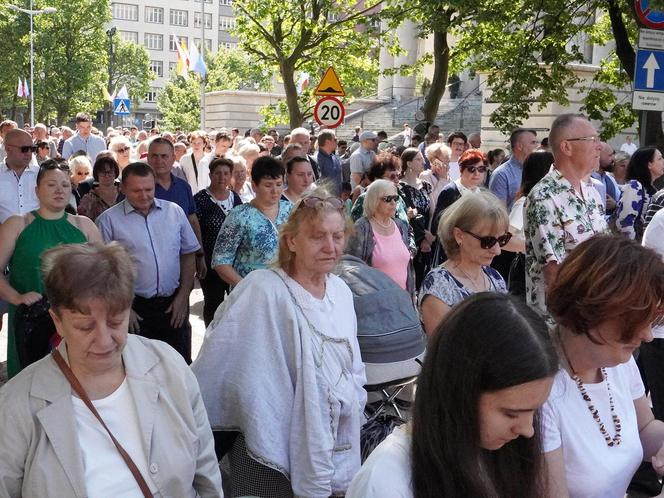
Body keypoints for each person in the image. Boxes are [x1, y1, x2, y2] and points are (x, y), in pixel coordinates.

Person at [0, 242, 223, 497]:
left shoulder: (168, 365)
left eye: (116, 321)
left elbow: (204, 466)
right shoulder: (18, 404)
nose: (105, 340)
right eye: (85, 327)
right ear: (58, 322)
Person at [193, 191, 366, 498]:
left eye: (338, 236)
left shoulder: (340, 291)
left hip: (334, 444)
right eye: (317, 237)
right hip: (269, 447)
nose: (330, 247)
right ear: (292, 242)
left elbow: (353, 368)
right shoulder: (263, 289)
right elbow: (221, 362)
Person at [346, 293, 558, 498]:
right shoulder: (386, 481)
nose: (528, 430)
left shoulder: (499, 454)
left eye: (535, 410)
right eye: (511, 414)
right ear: (459, 391)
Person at [543, 235, 664, 498]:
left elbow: (645, 428)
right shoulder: (541, 389)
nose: (648, 336)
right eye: (635, 322)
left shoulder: (615, 359)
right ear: (592, 310)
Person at [0, 158, 101, 378]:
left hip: (77, 319)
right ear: (37, 190)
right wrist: (17, 297)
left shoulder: (84, 225)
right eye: (51, 184)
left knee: (77, 382)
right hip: (31, 320)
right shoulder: (18, 224)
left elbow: (104, 274)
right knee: (31, 383)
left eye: (65, 185)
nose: (59, 190)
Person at [96, 162, 200, 363]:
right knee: (140, 370)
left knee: (178, 367)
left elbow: (188, 254)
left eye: (148, 189)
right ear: (123, 188)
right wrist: (124, 309)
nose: (144, 195)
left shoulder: (174, 212)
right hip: (135, 309)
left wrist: (183, 297)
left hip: (174, 305)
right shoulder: (107, 221)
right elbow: (103, 272)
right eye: (136, 190)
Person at [524, 114, 607, 321]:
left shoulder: (591, 192)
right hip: (563, 321)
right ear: (566, 147)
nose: (600, 146)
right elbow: (554, 272)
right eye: (592, 140)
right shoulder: (544, 197)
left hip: (595, 312)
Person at [419, 191, 510, 335]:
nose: (497, 250)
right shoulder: (439, 288)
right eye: (488, 241)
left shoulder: (494, 277)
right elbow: (444, 352)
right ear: (459, 235)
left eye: (502, 240)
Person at [212, 156, 292, 287]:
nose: (275, 191)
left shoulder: (291, 210)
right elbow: (220, 261)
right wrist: (247, 287)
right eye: (268, 185)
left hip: (286, 289)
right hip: (252, 292)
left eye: (279, 184)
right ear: (254, 185)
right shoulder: (240, 215)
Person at [194, 157, 242, 326]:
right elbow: (194, 231)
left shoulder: (235, 198)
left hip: (234, 263)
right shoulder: (200, 199)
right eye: (217, 173)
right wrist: (199, 258)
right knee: (213, 303)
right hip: (210, 263)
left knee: (235, 303)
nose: (222, 177)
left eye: (226, 173)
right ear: (210, 175)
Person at [346, 179, 415, 293]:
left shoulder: (400, 226)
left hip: (403, 302)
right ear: (374, 201)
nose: (393, 203)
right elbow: (351, 269)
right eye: (388, 199)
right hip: (376, 303)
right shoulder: (362, 227)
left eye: (395, 198)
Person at [506, 150, 553, 295]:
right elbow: (505, 239)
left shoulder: (548, 200)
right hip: (525, 270)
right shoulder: (525, 202)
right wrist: (534, 248)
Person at [399, 147, 435, 288]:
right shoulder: (400, 187)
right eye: (418, 159)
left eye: (422, 158)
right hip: (411, 237)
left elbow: (432, 212)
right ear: (408, 163)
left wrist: (430, 234)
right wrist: (423, 236)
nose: (423, 162)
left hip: (427, 236)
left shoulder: (426, 186)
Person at [431, 148, 487, 236]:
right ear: (461, 169)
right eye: (471, 169)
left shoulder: (482, 193)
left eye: (481, 169)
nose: (477, 173)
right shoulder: (450, 191)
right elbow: (437, 226)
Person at [613, 147, 664, 241]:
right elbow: (624, 223)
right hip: (634, 250)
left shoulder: (652, 189)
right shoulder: (634, 186)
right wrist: (635, 249)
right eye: (660, 158)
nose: (663, 161)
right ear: (649, 164)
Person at [489, 128, 539, 210]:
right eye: (533, 143)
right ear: (520, 146)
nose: (537, 146)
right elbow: (499, 213)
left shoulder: (537, 169)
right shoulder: (501, 174)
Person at [0, 129, 40, 223]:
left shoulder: (41, 174)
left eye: (32, 149)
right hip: (4, 234)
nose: (29, 153)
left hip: (37, 233)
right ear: (8, 149)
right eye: (24, 149)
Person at [77, 155, 122, 222]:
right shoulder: (89, 199)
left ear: (115, 173)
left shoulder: (124, 193)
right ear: (97, 174)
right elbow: (83, 222)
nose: (107, 175)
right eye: (103, 172)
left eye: (110, 172)